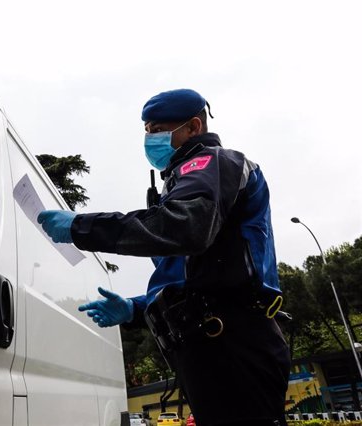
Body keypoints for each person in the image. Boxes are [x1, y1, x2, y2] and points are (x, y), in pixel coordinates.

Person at [37, 89, 291, 426]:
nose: (149, 138)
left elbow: (185, 228)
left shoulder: (214, 163)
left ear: (193, 127)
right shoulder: (184, 182)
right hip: (211, 342)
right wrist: (137, 308)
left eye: (158, 129)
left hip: (233, 340)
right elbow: (188, 276)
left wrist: (81, 227)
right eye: (146, 131)